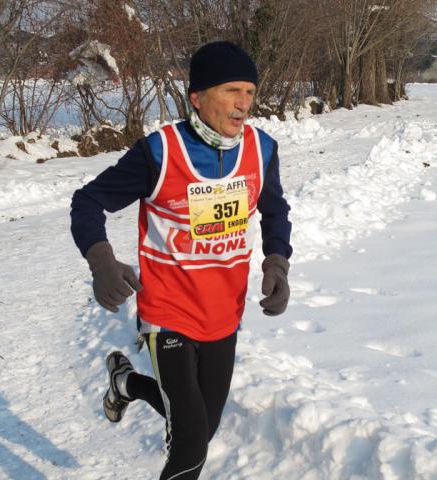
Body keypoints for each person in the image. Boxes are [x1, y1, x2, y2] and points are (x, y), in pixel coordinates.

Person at [70, 41, 292, 479]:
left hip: (223, 313)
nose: (244, 104)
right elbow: (87, 202)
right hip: (167, 312)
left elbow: (275, 210)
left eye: (249, 92)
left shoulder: (261, 151)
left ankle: (126, 383)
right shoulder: (160, 152)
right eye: (232, 91)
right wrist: (102, 261)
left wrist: (277, 262)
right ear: (198, 97)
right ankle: (134, 385)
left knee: (201, 429)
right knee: (190, 448)